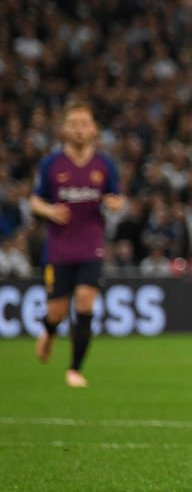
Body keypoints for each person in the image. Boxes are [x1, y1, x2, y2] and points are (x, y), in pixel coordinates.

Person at [30, 102, 124, 388]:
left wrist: (113, 203)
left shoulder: (104, 164)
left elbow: (118, 198)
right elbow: (35, 200)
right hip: (59, 249)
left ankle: (74, 370)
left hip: (91, 246)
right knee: (57, 312)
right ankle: (48, 331)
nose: (80, 129)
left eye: (84, 123)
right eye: (74, 124)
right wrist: (49, 211)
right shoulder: (52, 164)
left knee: (84, 302)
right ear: (64, 130)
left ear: (94, 129)